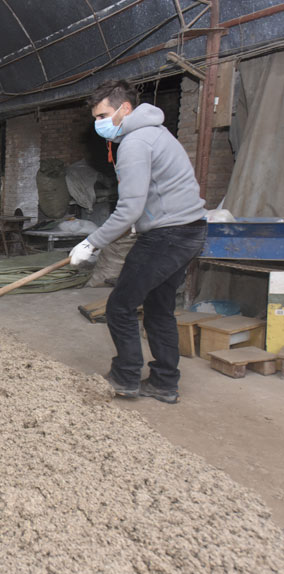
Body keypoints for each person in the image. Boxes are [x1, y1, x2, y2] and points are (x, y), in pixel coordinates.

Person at [69, 79, 207, 405]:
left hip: (167, 236)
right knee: (160, 309)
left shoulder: (135, 142)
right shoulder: (157, 133)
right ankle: (164, 382)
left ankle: (126, 377)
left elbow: (129, 208)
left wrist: (91, 243)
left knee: (120, 306)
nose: (99, 123)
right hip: (190, 231)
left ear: (125, 108)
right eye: (95, 119)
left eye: (103, 115)